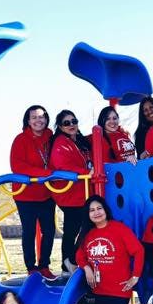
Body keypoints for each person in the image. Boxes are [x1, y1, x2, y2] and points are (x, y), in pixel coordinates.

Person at [10, 105, 58, 277]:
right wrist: (46, 174)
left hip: (46, 193)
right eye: (34, 117)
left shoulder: (51, 137)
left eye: (41, 116)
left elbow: (70, 140)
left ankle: (44, 265)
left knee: (49, 230)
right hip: (25, 194)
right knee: (29, 231)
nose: (39, 120)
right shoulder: (21, 139)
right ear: (28, 121)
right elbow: (18, 166)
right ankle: (31, 268)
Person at [48, 109, 92, 275]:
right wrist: (86, 172)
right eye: (66, 123)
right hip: (70, 194)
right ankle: (69, 260)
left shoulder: (80, 141)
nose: (71, 125)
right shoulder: (61, 142)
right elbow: (62, 165)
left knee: (77, 228)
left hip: (82, 193)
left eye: (74, 121)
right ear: (60, 126)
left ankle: (69, 261)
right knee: (75, 229)